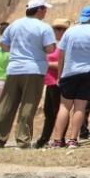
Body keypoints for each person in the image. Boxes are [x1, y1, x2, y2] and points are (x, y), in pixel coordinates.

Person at [0, 0, 57, 151]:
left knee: (6, 105)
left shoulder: (15, 24)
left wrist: (16, 51)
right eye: (45, 9)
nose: (46, 12)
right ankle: (22, 141)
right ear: (39, 9)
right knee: (28, 105)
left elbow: (3, 44)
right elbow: (50, 49)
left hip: (14, 69)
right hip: (34, 69)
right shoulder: (43, 27)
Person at [50, 5, 90, 149]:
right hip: (89, 72)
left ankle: (57, 139)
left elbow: (61, 55)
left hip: (69, 72)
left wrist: (59, 75)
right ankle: (73, 140)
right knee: (80, 107)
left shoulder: (69, 32)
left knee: (64, 106)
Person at [35, 17, 69, 148]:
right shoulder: (52, 45)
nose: (58, 31)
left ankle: (59, 138)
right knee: (49, 113)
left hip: (58, 81)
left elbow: (64, 63)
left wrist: (47, 64)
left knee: (58, 111)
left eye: (61, 29)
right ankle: (44, 138)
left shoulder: (64, 46)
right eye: (56, 28)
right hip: (50, 82)